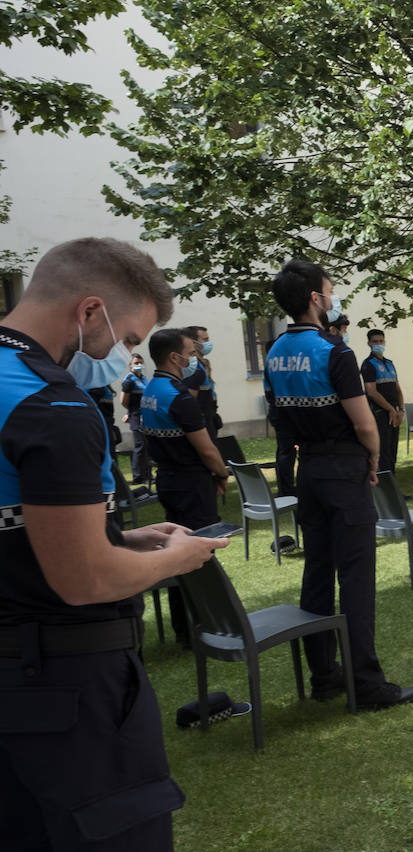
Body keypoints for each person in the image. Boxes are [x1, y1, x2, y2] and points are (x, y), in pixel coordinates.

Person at [0, 237, 226, 849]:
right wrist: (176, 559)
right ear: (89, 310)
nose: (124, 358)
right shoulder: (53, 405)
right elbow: (86, 580)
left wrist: (116, 535)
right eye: (126, 339)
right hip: (65, 688)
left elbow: (21, 524)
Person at [264, 259, 413, 710]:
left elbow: (279, 419)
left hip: (309, 470)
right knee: (356, 577)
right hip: (344, 469)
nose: (333, 299)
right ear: (315, 298)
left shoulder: (274, 353)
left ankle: (324, 675)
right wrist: (372, 456)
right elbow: (364, 422)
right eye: (330, 291)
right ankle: (366, 683)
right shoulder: (335, 352)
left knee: (317, 571)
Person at [143, 328, 231, 645]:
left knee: (177, 551)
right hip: (191, 482)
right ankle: (205, 626)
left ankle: (184, 627)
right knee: (198, 553)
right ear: (174, 358)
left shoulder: (151, 390)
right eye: (190, 353)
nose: (195, 358)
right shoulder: (179, 398)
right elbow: (207, 450)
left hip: (168, 479)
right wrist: (221, 473)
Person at [361, 328, 404, 474]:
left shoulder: (390, 363)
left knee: (392, 451)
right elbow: (372, 392)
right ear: (369, 343)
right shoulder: (368, 365)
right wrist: (390, 409)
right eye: (375, 342)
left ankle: (393, 484)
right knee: (383, 452)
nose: (378, 344)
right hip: (379, 413)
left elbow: (398, 389)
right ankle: (383, 485)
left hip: (394, 413)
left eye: (381, 341)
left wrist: (401, 410)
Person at [180, 325, 220, 440]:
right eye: (205, 340)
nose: (208, 343)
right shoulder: (194, 368)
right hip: (202, 419)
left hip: (209, 414)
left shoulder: (202, 364)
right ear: (194, 343)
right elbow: (190, 400)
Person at [121, 352, 152, 483]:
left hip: (147, 416)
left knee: (147, 445)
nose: (139, 365)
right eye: (136, 363)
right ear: (130, 365)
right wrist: (131, 412)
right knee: (140, 445)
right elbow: (124, 401)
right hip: (136, 415)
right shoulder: (129, 380)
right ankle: (138, 476)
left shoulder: (144, 378)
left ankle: (148, 475)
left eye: (140, 362)